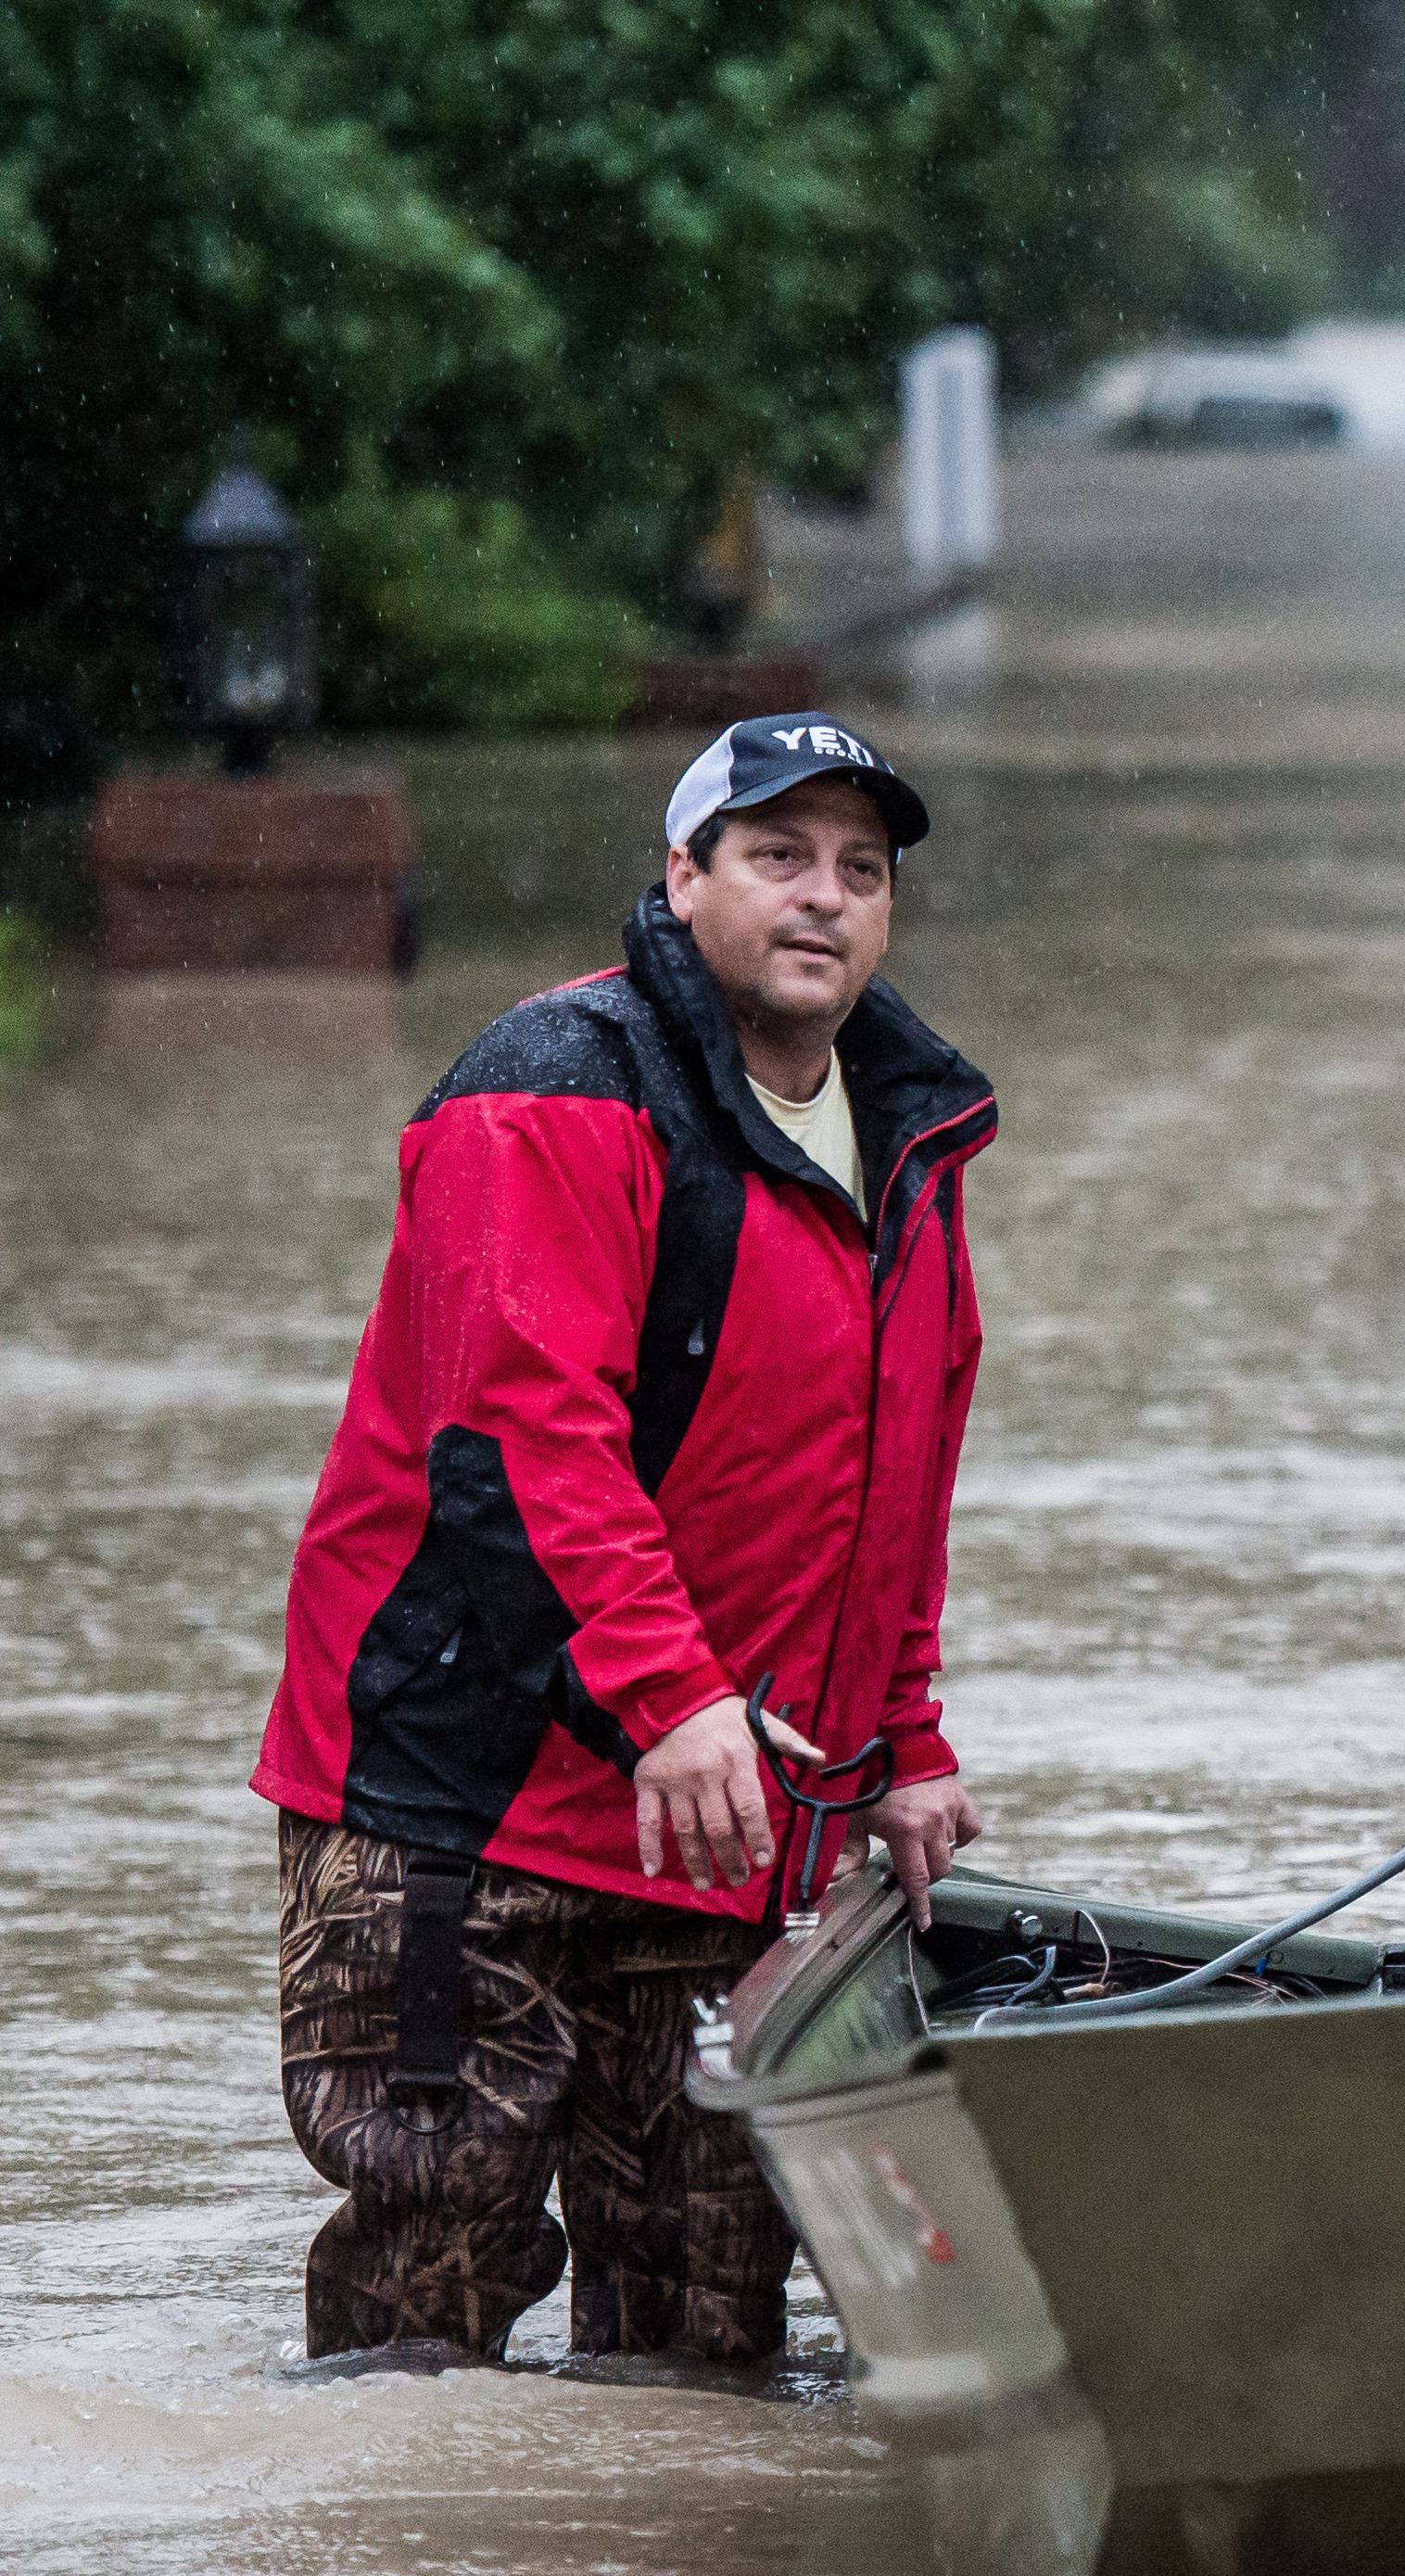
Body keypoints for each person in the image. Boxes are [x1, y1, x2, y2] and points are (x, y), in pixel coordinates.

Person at [253, 714, 999, 2364]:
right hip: (464, 1805)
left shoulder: (916, 1142)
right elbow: (529, 1428)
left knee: (702, 2344)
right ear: (682, 879)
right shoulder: (552, 1087)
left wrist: (901, 1736)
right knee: (418, 2330)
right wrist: (671, 1693)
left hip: (728, 1827)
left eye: (859, 870)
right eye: (775, 855)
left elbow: (894, 1476)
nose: (823, 899)